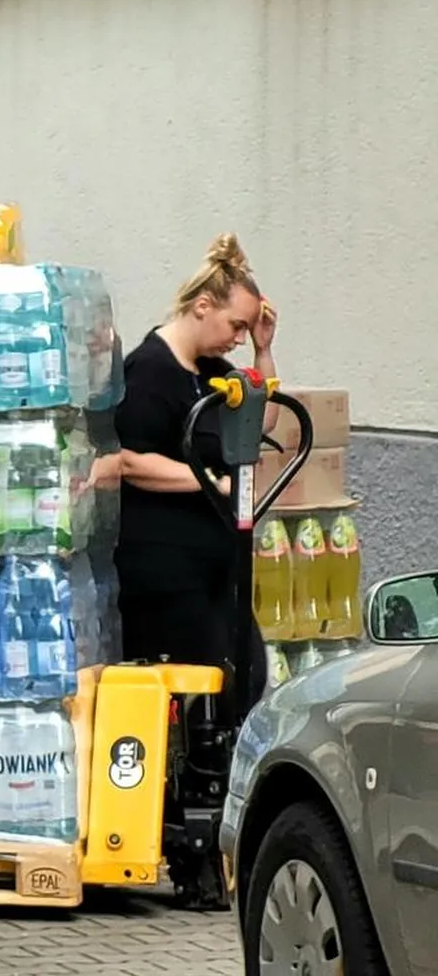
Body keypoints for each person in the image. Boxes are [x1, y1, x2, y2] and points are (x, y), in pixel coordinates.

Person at [112, 232, 278, 718]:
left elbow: (258, 421)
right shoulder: (148, 371)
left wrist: (263, 354)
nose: (239, 338)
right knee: (204, 687)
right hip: (165, 572)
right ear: (203, 306)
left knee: (246, 673)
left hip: (214, 567)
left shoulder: (211, 372)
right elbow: (131, 460)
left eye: (247, 330)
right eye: (237, 325)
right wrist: (210, 482)